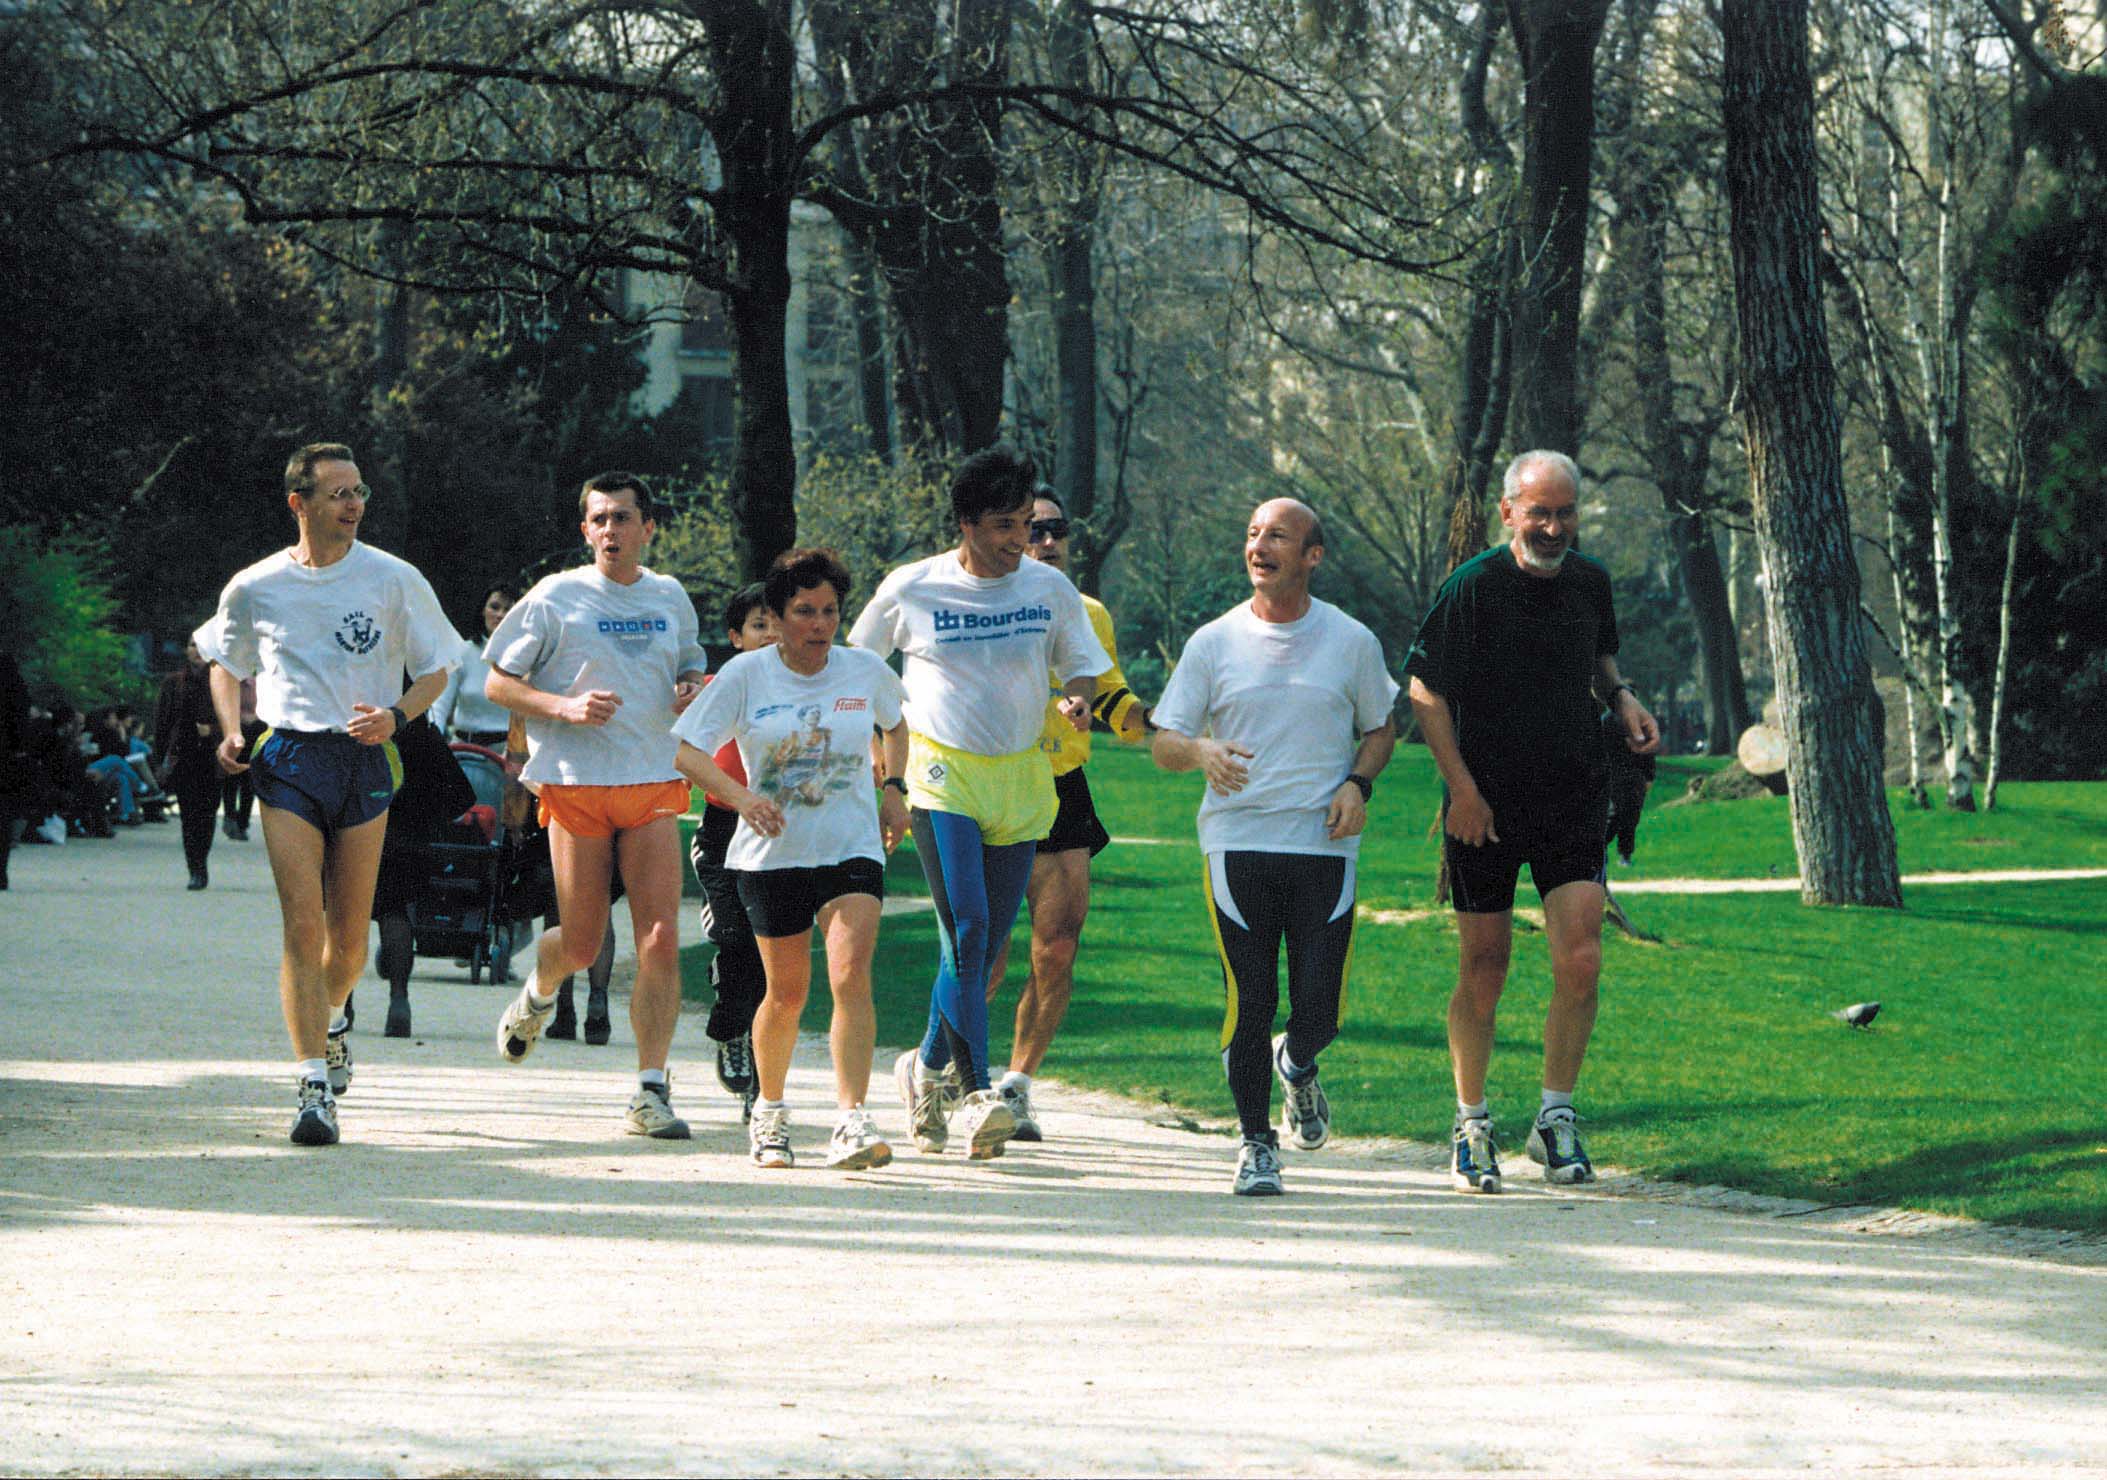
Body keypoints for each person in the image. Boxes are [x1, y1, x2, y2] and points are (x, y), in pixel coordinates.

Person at [1405, 450, 1660, 1193]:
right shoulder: (1472, 587)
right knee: (1485, 967)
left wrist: (1623, 700)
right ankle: (1470, 1123)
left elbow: (1601, 664)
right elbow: (1424, 692)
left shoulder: (1589, 582)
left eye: (1564, 512)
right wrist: (1461, 790)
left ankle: (1554, 1120)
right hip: (1483, 806)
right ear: (1508, 511)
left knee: (1580, 959)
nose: (1552, 527)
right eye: (1538, 512)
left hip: (1572, 794)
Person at [849, 443, 1109, 1161]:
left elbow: (1081, 667)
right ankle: (976, 1093)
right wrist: (882, 764)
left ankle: (924, 1066)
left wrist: (1077, 700)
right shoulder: (912, 587)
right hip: (941, 774)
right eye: (1003, 525)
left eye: (1025, 522)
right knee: (966, 929)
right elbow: (858, 668)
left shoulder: (1047, 589)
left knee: (986, 947)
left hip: (1021, 776)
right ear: (966, 523)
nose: (1020, 540)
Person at [195, 441, 459, 1146]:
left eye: (359, 490)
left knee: (347, 945)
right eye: (338, 492)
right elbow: (223, 660)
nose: (354, 504)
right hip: (288, 758)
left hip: (365, 760)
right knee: (301, 927)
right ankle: (312, 1086)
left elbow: (438, 668)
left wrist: (397, 715)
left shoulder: (394, 578)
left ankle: (333, 1015)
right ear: (299, 503)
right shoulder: (256, 585)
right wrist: (232, 729)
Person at [1151, 498, 1398, 1197]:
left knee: (1321, 1009)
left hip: (1324, 844)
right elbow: (1164, 742)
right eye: (1253, 533)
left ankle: (1298, 1062)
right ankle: (1256, 1143)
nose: (1259, 546)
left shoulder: (1350, 640)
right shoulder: (1213, 642)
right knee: (1250, 998)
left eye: (1278, 536)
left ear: (1312, 556)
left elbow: (1380, 729)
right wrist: (1200, 751)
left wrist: (1357, 784)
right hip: (1237, 841)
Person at [484, 470, 708, 1139]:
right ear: (585, 530)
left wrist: (690, 684)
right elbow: (498, 682)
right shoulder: (555, 597)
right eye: (599, 519)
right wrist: (565, 707)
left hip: (651, 779)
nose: (611, 530)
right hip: (577, 782)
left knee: (660, 938)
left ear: (648, 527)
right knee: (581, 944)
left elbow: (688, 661)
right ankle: (538, 992)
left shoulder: (669, 595)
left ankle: (650, 1089)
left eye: (622, 517)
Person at [674, 549, 910, 1169]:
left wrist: (893, 789)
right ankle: (769, 1112)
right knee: (786, 995)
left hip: (851, 848)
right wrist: (742, 799)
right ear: (776, 618)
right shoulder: (746, 676)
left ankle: (852, 1119)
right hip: (771, 856)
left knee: (850, 977)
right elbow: (687, 751)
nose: (820, 624)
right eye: (804, 611)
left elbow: (896, 725)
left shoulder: (864, 670)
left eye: (830, 610)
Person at [978, 488, 1153, 1142]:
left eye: (1057, 529)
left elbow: (1109, 698)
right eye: (1032, 529)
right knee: (984, 955)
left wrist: (1157, 722)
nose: (1046, 541)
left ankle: (1015, 1086)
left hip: (1061, 785)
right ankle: (949, 1071)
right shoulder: (979, 605)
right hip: (993, 785)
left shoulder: (1088, 613)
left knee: (1056, 946)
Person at [687, 583, 778, 1119]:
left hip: (781, 835)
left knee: (773, 954)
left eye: (777, 624)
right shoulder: (715, 689)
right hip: (723, 832)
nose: (770, 636)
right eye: (759, 625)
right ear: (736, 637)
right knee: (736, 939)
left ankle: (760, 1088)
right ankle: (730, 1029)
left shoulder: (802, 690)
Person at [153, 639, 224, 889]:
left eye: (203, 645)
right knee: (189, 815)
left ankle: (201, 860)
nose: (198, 651)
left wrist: (212, 730)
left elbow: (233, 723)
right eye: (193, 645)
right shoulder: (173, 683)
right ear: (186, 650)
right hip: (183, 757)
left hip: (212, 757)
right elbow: (161, 724)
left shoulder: (222, 682)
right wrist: (159, 761)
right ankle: (196, 869)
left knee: (208, 813)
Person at [430, 584, 519, 745]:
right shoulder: (460, 652)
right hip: (465, 749)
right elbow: (440, 705)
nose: (500, 615)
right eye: (494, 607)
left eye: (508, 610)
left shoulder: (526, 658)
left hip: (509, 752)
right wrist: (434, 741)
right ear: (483, 611)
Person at [221, 676, 261, 840]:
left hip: (255, 731)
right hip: (236, 731)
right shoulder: (232, 681)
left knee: (249, 784)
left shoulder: (258, 683)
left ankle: (243, 823)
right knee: (230, 781)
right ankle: (230, 818)